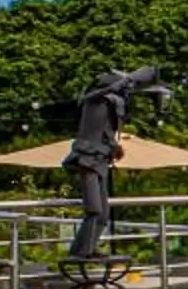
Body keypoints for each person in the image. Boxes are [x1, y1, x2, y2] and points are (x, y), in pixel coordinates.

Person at [64, 65, 171, 258]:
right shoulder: (95, 100)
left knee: (103, 214)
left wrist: (114, 148)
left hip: (100, 162)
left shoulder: (109, 105)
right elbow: (92, 99)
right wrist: (125, 81)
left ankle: (86, 250)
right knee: (94, 210)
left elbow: (106, 132)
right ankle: (80, 253)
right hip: (88, 160)